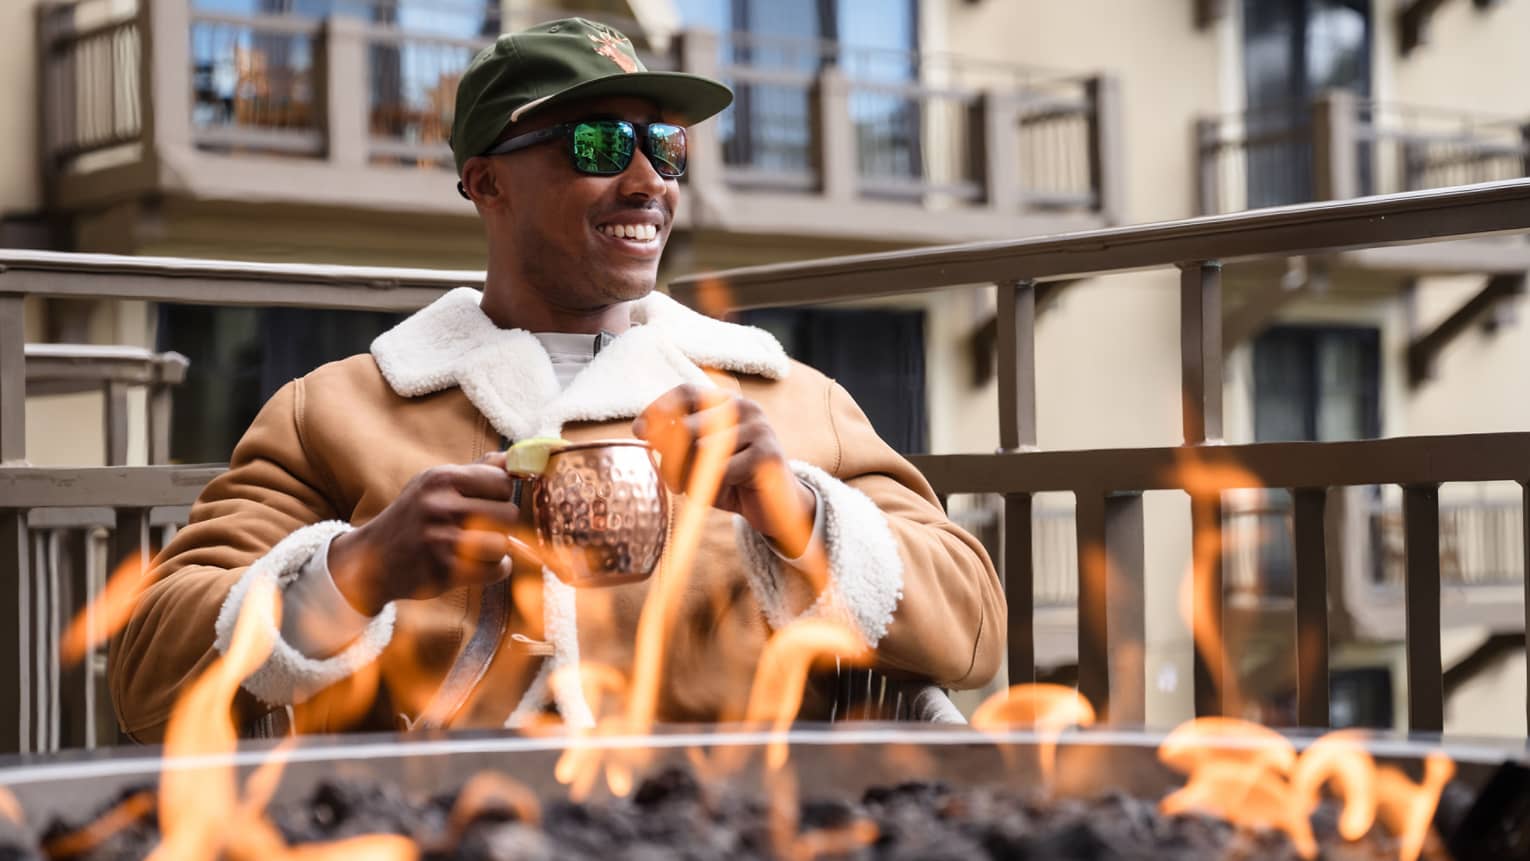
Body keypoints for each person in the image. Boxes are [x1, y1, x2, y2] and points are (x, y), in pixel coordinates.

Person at [109, 18, 1005, 739]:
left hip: (723, 828)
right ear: (487, 182)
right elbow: (149, 677)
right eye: (599, 142)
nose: (649, 177)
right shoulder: (336, 410)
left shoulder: (783, 400)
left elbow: (974, 625)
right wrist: (357, 567)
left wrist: (798, 510)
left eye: (668, 145)